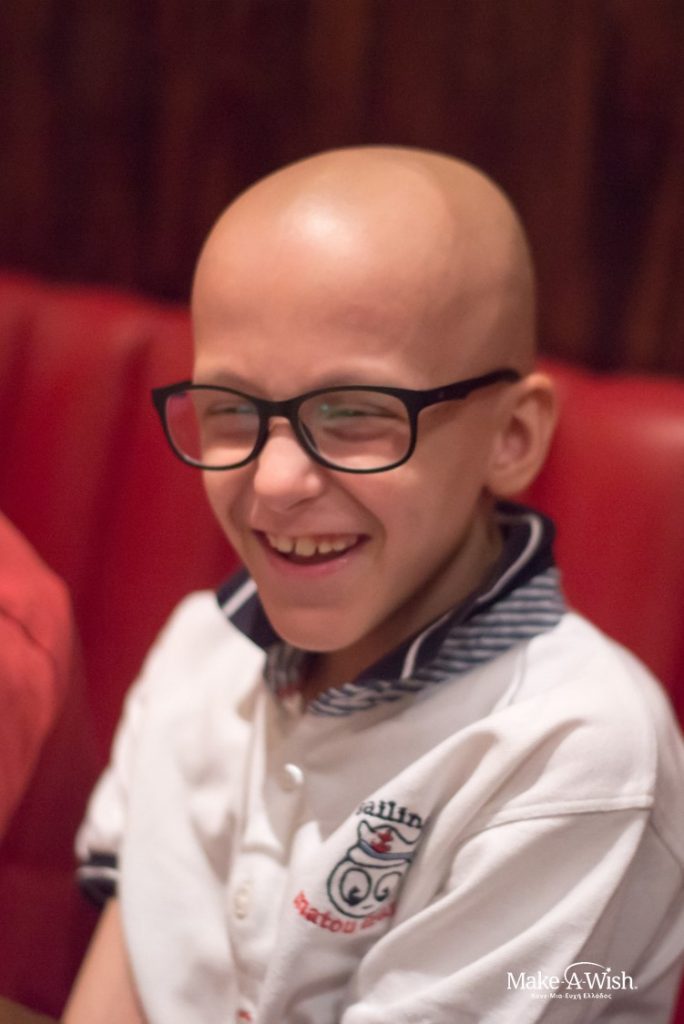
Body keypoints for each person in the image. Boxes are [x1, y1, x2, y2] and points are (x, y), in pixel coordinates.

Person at [63, 147, 684, 1024]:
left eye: (354, 414)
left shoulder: (574, 751)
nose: (275, 480)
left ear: (511, 437)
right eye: (232, 410)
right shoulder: (199, 652)